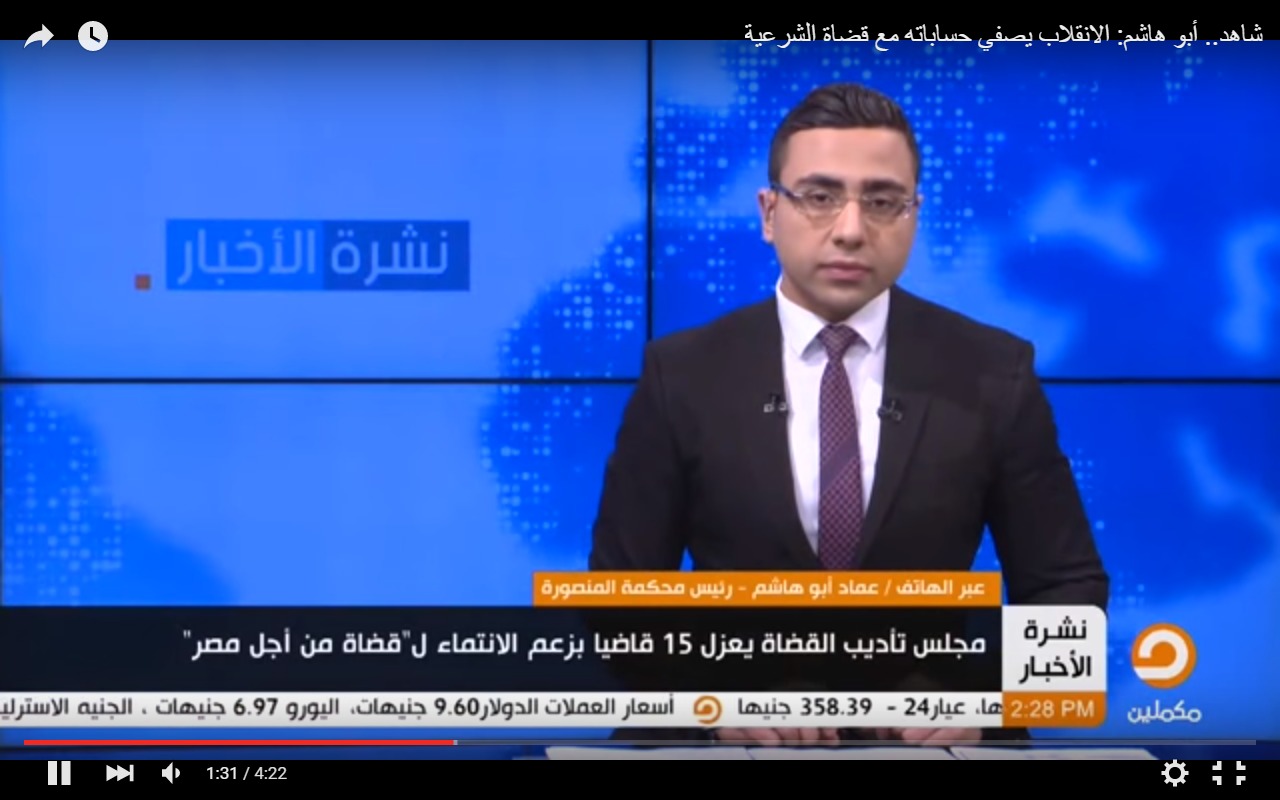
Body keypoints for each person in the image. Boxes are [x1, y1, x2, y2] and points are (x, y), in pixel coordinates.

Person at [589, 82, 1109, 747]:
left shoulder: (992, 371)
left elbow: (1066, 586)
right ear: (769, 213)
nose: (851, 229)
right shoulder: (682, 373)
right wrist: (709, 702)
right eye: (819, 196)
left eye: (884, 202)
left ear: (914, 216)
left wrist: (989, 702)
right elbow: (618, 600)